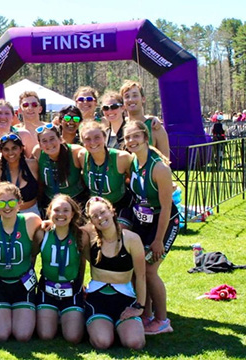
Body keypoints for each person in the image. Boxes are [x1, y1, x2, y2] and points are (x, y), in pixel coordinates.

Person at [123, 121, 178, 335]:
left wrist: (158, 240)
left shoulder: (159, 168)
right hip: (142, 221)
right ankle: (146, 314)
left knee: (150, 270)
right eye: (128, 138)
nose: (131, 141)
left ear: (146, 137)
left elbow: (166, 207)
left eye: (136, 136)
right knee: (138, 268)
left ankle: (163, 320)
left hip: (163, 222)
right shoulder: (135, 161)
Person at [0, 182, 41, 342]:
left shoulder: (31, 221)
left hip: (23, 284)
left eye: (12, 202)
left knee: (22, 335)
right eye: (2, 203)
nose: (7, 207)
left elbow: (47, 231)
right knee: (1, 335)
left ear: (20, 203)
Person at [83, 196, 146, 350]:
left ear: (111, 211)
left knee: (135, 343)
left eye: (103, 212)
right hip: (97, 299)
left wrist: (139, 306)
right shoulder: (89, 238)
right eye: (95, 216)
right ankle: (102, 326)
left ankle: (120, 328)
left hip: (124, 300)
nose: (100, 218)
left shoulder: (131, 239)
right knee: (102, 342)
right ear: (91, 221)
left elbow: (141, 276)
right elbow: (65, 224)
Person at [34, 195, 86, 344]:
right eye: (56, 210)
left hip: (72, 289)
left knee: (73, 337)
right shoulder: (42, 233)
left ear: (73, 214)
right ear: (49, 212)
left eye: (66, 210)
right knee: (45, 335)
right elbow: (31, 258)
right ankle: (53, 314)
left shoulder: (81, 235)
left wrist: (79, 285)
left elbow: (83, 265)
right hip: (47, 288)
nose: (61, 214)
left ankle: (66, 315)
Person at [78, 121, 134, 223]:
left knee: (118, 235)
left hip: (120, 205)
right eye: (87, 139)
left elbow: (136, 181)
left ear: (105, 137)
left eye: (97, 137)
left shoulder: (121, 158)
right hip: (95, 207)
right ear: (82, 142)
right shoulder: (82, 156)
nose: (93, 142)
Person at [32, 124, 87, 216]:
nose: (49, 144)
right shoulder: (38, 152)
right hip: (50, 201)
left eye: (52, 139)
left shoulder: (75, 152)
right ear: (40, 145)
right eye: (44, 141)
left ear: (60, 139)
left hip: (76, 200)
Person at [120, 80, 170, 159]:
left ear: (143, 99)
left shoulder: (155, 128)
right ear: (123, 102)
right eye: (126, 96)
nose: (131, 99)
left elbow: (166, 162)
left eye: (135, 95)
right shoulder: (120, 125)